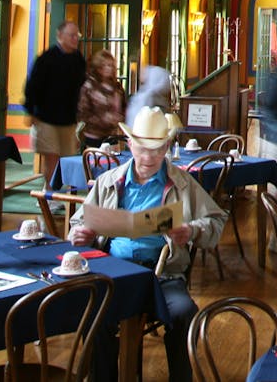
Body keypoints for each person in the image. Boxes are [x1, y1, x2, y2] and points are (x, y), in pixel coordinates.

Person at [70, 107, 226, 382]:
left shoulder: (181, 183)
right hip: (113, 273)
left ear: (166, 146)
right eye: (142, 149)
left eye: (156, 150)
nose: (148, 157)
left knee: (183, 312)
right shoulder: (109, 182)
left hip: (163, 274)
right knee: (92, 314)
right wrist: (82, 235)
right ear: (129, 144)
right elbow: (78, 223)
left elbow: (216, 221)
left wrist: (190, 230)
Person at [24, 21, 88, 175]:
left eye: (77, 36)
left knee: (66, 158)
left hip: (68, 118)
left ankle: (62, 192)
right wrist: (30, 111)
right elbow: (32, 86)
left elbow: (82, 86)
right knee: (51, 156)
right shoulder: (47, 58)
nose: (75, 39)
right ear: (60, 36)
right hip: (47, 118)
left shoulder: (78, 59)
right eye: (71, 35)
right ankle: (50, 192)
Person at [77, 50, 126, 149]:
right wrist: (104, 119)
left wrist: (120, 118)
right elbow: (83, 113)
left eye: (111, 65)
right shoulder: (89, 86)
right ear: (98, 67)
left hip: (112, 136)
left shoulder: (117, 87)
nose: (109, 68)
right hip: (94, 136)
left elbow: (124, 107)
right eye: (105, 65)